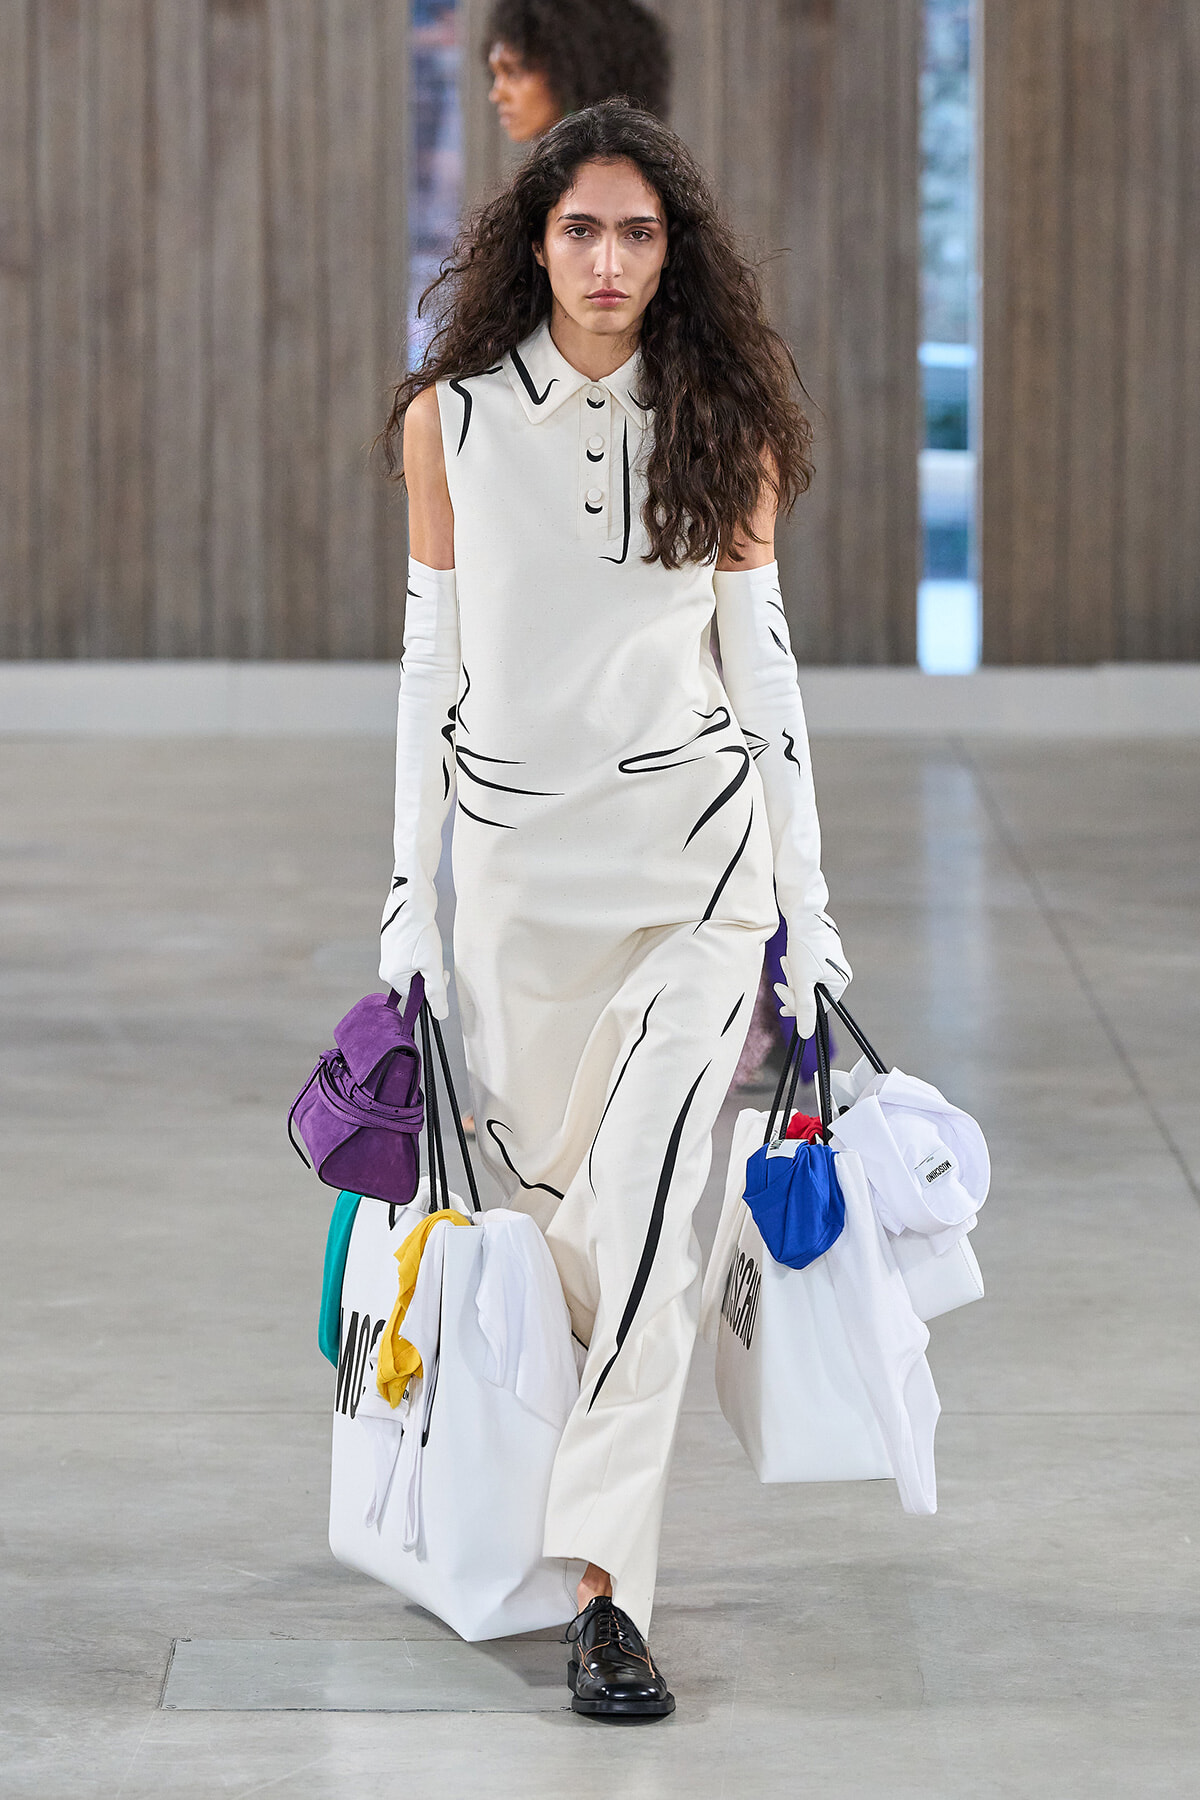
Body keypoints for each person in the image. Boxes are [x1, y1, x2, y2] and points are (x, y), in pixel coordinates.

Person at [378, 99, 851, 1722]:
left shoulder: (725, 411)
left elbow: (762, 667)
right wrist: (408, 905)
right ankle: (565, 1537)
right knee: (575, 1256)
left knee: (651, 1205)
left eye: (637, 233)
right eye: (579, 229)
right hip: (518, 891)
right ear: (533, 239)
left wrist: (810, 899)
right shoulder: (449, 420)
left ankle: (604, 1598)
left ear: (675, 250)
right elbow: (430, 671)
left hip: (693, 880)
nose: (606, 261)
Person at [486, 0, 669, 142]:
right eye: (495, 74)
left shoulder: (604, 178)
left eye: (515, 73)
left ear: (572, 73)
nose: (497, 94)